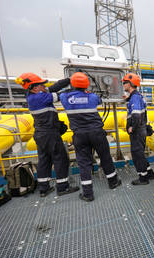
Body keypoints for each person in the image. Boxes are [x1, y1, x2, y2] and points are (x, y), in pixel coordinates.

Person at [59, 72, 121, 202]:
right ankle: (113, 182)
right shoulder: (92, 97)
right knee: (105, 157)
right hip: (97, 133)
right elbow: (100, 99)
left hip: (80, 135)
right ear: (86, 85)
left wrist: (67, 82)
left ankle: (88, 193)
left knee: (84, 162)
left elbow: (59, 93)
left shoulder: (65, 98)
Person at [16, 73, 79, 197]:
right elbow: (62, 95)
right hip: (49, 134)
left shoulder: (33, 95)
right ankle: (62, 187)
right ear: (34, 88)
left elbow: (54, 87)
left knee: (44, 160)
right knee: (60, 158)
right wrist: (78, 86)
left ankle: (44, 189)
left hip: (41, 134)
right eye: (41, 84)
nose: (44, 86)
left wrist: (68, 79)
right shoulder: (40, 98)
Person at [122, 73, 154, 185]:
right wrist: (128, 100)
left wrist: (132, 128)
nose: (123, 85)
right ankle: (150, 173)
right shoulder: (136, 97)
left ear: (130, 84)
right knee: (140, 153)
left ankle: (143, 178)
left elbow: (136, 115)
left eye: (125, 83)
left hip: (137, 130)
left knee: (137, 154)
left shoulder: (135, 98)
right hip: (141, 129)